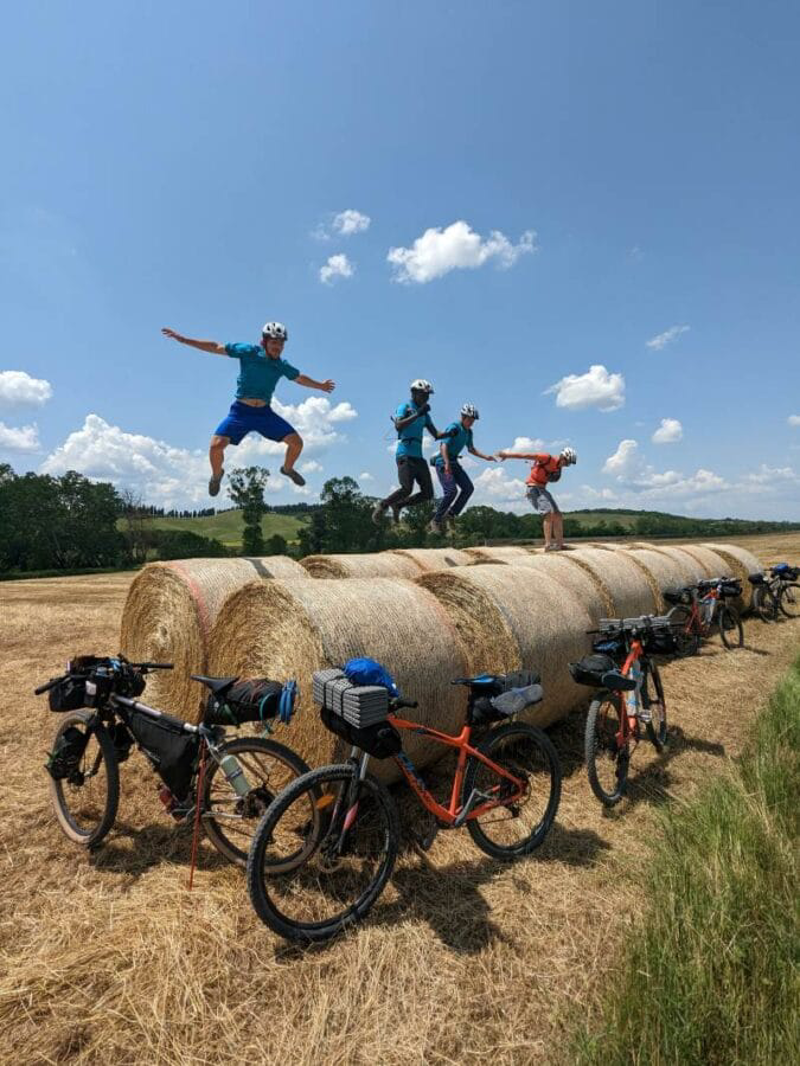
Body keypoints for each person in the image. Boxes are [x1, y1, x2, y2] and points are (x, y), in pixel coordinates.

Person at [161, 321, 335, 496]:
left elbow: (299, 378)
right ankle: (216, 475)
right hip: (241, 412)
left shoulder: (281, 365)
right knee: (215, 446)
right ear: (264, 342)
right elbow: (216, 347)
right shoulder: (248, 352)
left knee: (297, 443)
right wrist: (184, 340)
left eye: (281, 344)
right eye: (274, 342)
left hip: (264, 413)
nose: (278, 347)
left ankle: (287, 469)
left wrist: (320, 386)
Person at [372, 379, 442, 524]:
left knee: (428, 493)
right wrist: (418, 413)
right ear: (414, 393)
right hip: (404, 454)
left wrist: (450, 433)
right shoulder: (404, 407)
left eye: (428, 396)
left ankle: (398, 505)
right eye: (424, 395)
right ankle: (383, 505)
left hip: (418, 457)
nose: (426, 398)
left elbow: (436, 434)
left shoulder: (425, 415)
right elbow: (398, 426)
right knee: (406, 489)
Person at [429, 404, 496, 534]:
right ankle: (436, 520)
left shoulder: (468, 432)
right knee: (451, 491)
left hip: (454, 462)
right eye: (470, 419)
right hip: (443, 462)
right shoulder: (455, 427)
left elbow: (471, 449)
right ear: (463, 416)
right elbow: (443, 446)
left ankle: (451, 514)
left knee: (468, 488)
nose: (471, 423)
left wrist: (486, 457)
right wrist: (447, 463)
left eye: (473, 421)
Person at [496, 446, 577, 550]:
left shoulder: (558, 468)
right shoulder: (547, 458)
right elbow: (525, 455)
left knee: (558, 515)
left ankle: (560, 544)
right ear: (562, 457)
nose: (566, 465)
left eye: (568, 464)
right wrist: (507, 455)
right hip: (533, 488)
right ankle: (548, 545)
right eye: (567, 462)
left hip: (542, 489)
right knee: (548, 513)